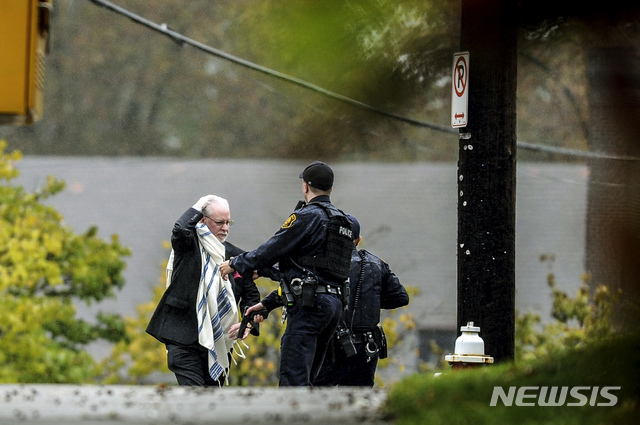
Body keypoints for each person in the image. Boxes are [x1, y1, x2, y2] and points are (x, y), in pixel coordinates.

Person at [220, 161, 354, 387]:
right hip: (334, 307)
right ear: (331, 189)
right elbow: (310, 268)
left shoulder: (308, 216)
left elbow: (272, 248)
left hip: (310, 308)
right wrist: (267, 292)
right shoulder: (342, 222)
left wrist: (236, 263)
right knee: (310, 380)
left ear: (305, 187)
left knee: (293, 382)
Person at [146, 195, 260, 386]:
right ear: (203, 220)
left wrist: (248, 323)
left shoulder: (236, 257)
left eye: (228, 222)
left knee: (211, 402)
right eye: (219, 222)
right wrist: (203, 202)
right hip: (183, 339)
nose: (225, 228)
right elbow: (181, 228)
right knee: (195, 397)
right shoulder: (188, 244)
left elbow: (251, 295)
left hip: (220, 343)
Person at [313, 214, 409, 387]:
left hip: (332, 347)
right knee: (360, 402)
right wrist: (372, 299)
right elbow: (401, 297)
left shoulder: (321, 263)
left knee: (319, 398)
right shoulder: (377, 264)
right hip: (366, 349)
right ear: (358, 240)